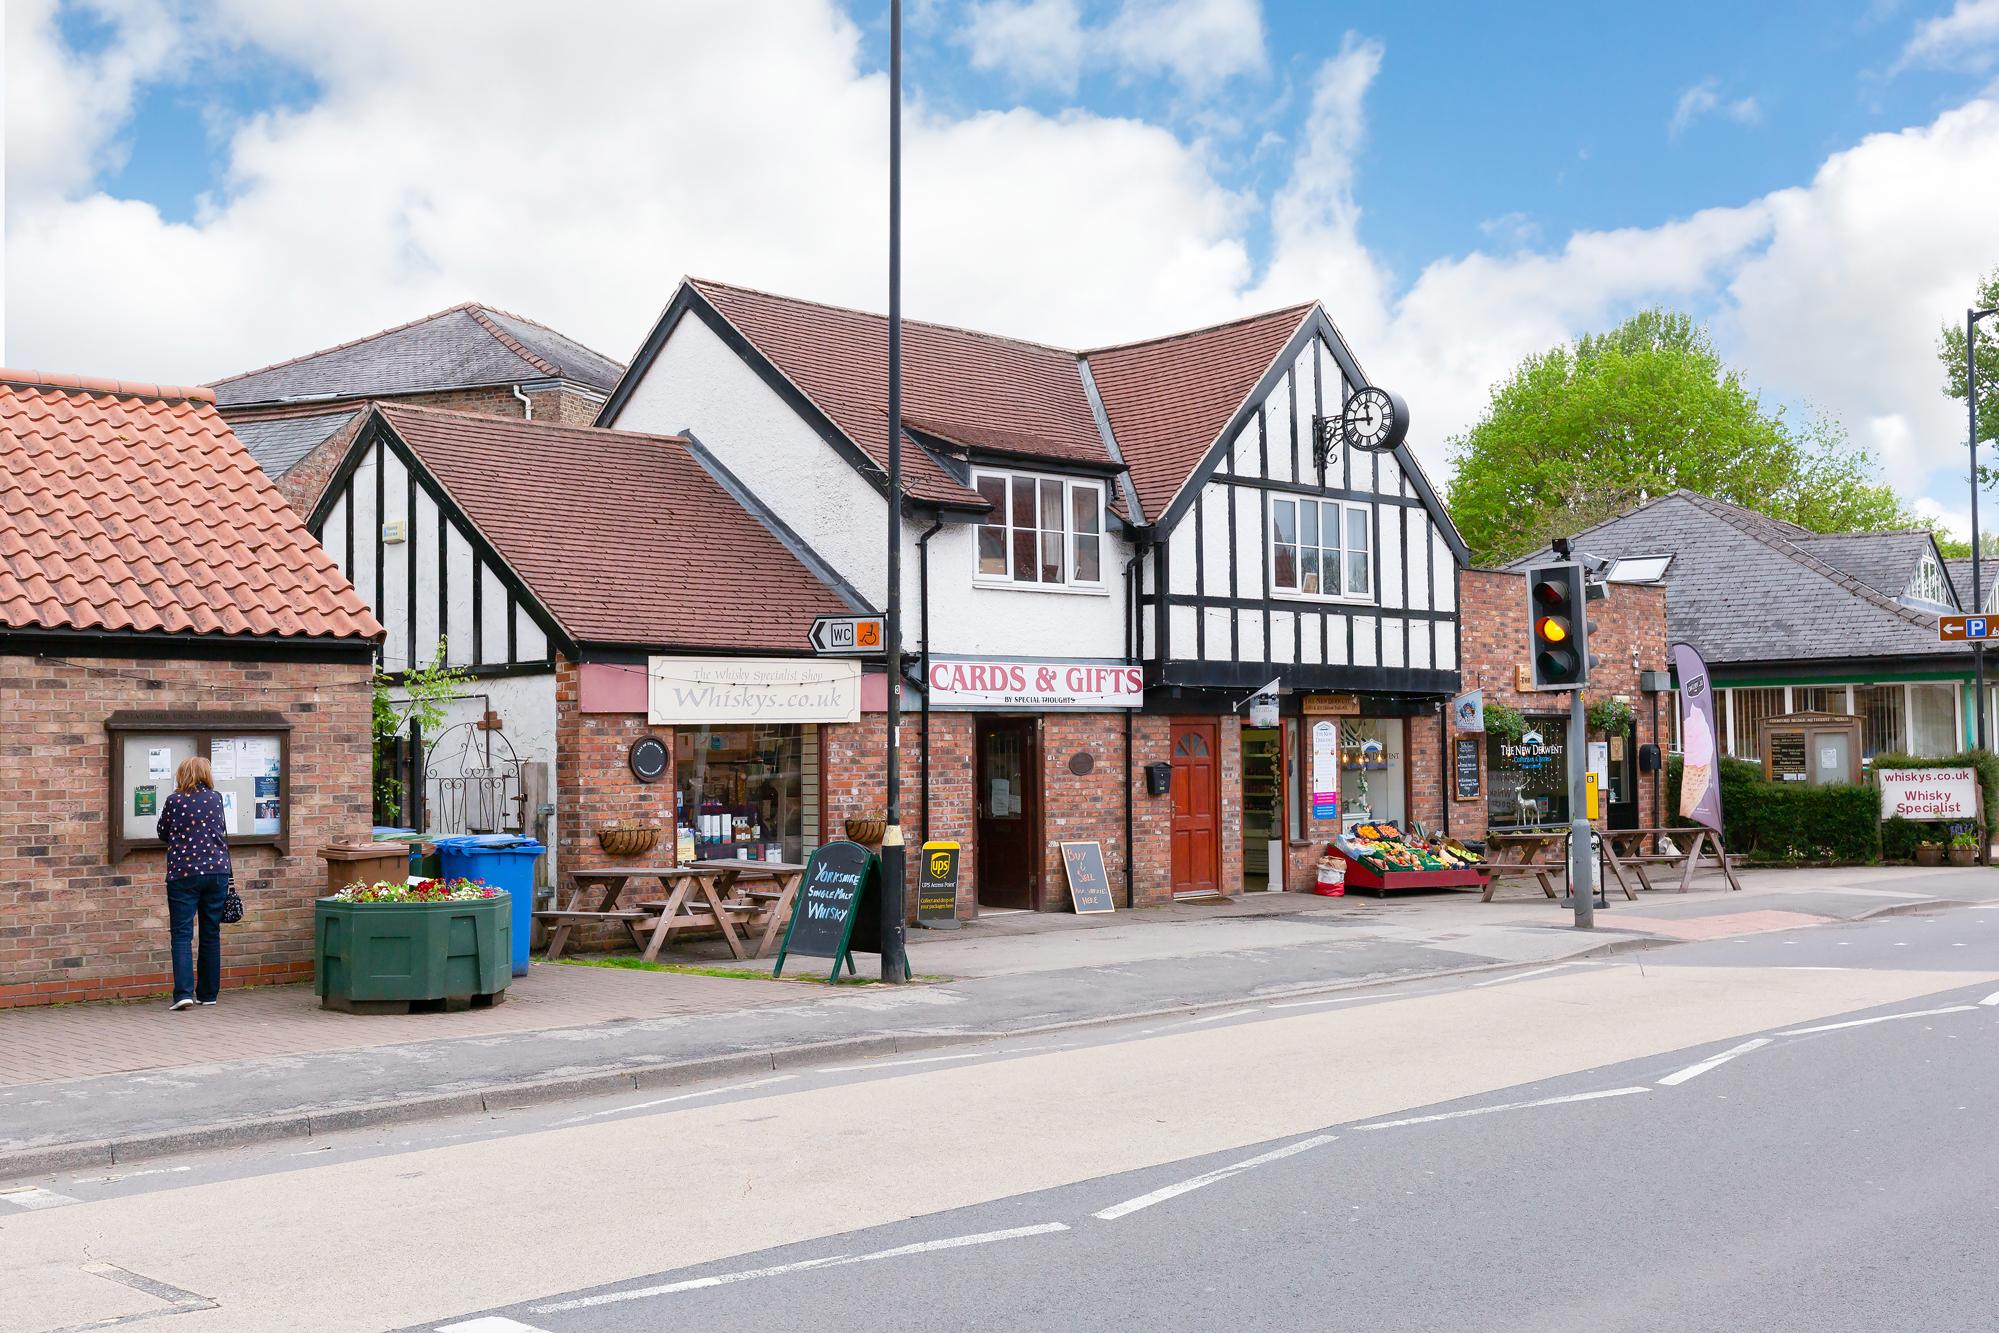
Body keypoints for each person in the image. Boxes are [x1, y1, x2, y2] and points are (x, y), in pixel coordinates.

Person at [155, 755, 232, 1011]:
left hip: (184, 873)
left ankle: (184, 994)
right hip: (217, 873)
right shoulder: (216, 798)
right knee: (211, 934)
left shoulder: (174, 800)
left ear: (182, 774)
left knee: (182, 935)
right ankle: (209, 993)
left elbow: (162, 832)